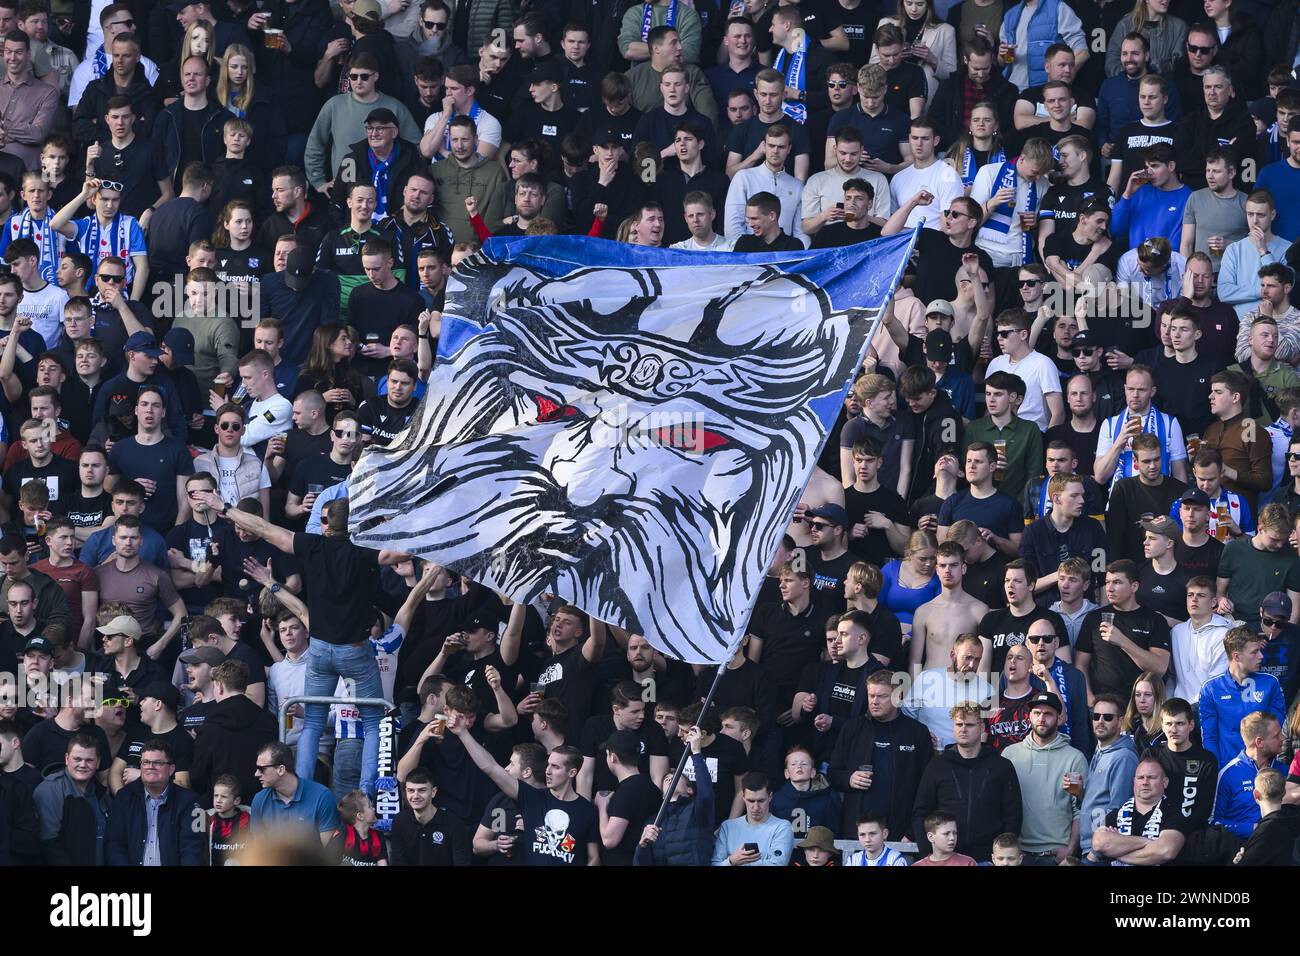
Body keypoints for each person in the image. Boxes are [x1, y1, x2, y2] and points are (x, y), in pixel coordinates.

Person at [827, 669, 933, 840]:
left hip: (901, 834)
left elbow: (927, 787)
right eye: (871, 696)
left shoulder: (917, 732)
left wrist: (913, 832)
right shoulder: (852, 729)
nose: (874, 701)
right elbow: (832, 773)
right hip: (859, 835)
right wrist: (849, 778)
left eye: (882, 696)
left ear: (898, 697)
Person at [911, 701, 1022, 861]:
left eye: (969, 725)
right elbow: (921, 812)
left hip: (989, 858)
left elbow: (1013, 816)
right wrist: (929, 855)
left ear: (982, 728)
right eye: (959, 724)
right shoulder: (937, 766)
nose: (963, 729)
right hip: (946, 858)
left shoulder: (1001, 766)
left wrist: (1002, 855)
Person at [1002, 691, 1087, 865]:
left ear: (1059, 718)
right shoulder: (1010, 754)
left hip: (1055, 853)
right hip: (1017, 853)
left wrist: (1071, 848)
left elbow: (1080, 810)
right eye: (1037, 713)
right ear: (1029, 716)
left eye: (1048, 714)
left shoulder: (1074, 758)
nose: (1041, 718)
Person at [103, 738, 204, 865]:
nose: (150, 767)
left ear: (171, 769)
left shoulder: (191, 802)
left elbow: (193, 848)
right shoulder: (123, 797)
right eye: (146, 762)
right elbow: (114, 844)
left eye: (157, 763)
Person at [190, 659, 278, 803]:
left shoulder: (209, 726)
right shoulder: (268, 720)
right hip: (260, 803)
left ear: (219, 687)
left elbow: (199, 774)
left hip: (220, 807)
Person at [1199, 626, 1286, 767]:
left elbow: (1278, 731)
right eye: (1254, 652)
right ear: (1236, 656)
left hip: (1267, 769)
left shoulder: (1270, 683)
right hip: (1228, 768)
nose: (1261, 656)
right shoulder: (1211, 689)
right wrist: (1216, 770)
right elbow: (1209, 738)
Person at [1087, 756, 1191, 865]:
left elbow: (1166, 851)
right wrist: (1148, 842)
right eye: (1140, 777)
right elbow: (1099, 843)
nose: (1145, 782)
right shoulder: (1115, 816)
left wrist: (1116, 848)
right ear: (1134, 782)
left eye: (1151, 777)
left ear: (1164, 782)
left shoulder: (1175, 815)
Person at [33, 733, 110, 865]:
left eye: (89, 760)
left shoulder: (101, 793)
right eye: (77, 759)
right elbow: (50, 844)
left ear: (98, 763)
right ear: (67, 759)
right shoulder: (49, 790)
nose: (83, 764)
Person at [1077, 692, 1139, 856]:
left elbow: (1119, 810)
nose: (1100, 721)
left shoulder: (1123, 757)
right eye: (1096, 716)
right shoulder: (1100, 751)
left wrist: (1096, 854)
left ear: (1120, 721)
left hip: (1102, 852)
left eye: (1108, 717)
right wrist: (1080, 794)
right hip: (1089, 846)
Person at [1211, 710, 1288, 840]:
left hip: (1280, 845)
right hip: (1241, 849)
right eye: (1276, 735)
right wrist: (1254, 829)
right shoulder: (1227, 774)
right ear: (1259, 742)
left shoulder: (1285, 771)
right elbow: (1213, 822)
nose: (1283, 738)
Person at [248, 741, 339, 842]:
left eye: (262, 769)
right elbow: (258, 850)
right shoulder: (259, 799)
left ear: (281, 769)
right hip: (271, 858)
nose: (256, 774)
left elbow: (329, 852)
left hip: (311, 858)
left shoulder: (322, 797)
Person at [389, 767, 473, 865]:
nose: (415, 796)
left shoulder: (453, 824)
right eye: (411, 791)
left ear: (433, 792)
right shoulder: (400, 821)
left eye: (422, 790)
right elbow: (397, 862)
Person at [1169, 576, 1234, 703]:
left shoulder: (1224, 635)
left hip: (1209, 707)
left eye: (1201, 595)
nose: (1194, 599)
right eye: (1190, 595)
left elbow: (1216, 682)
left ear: (1214, 602)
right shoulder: (1177, 632)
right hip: (1178, 711)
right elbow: (1171, 677)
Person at [711, 771, 795, 867]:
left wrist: (736, 862)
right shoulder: (727, 827)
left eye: (761, 801)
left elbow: (778, 864)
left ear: (770, 797)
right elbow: (715, 863)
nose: (755, 807)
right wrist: (732, 860)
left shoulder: (782, 827)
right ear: (743, 797)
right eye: (751, 801)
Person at [1234, 768, 1300, 865]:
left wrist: (1240, 860)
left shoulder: (1265, 832)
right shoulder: (1293, 820)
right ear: (1284, 792)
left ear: (1256, 795)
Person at [912, 811, 977, 866]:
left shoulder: (968, 863)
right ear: (931, 837)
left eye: (955, 833)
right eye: (946, 834)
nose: (952, 838)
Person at [844, 811, 908, 866]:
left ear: (885, 834)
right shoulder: (853, 860)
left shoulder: (896, 860)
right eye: (862, 834)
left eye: (872, 834)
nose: (867, 840)